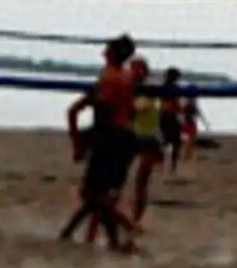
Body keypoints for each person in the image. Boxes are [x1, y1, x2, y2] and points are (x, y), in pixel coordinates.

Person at [60, 34, 139, 251]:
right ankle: (114, 239)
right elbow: (126, 110)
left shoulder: (112, 78)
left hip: (111, 137)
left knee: (92, 196)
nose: (103, 52)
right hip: (122, 137)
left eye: (107, 49)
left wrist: (83, 142)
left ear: (113, 53)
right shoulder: (124, 77)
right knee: (99, 196)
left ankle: (123, 230)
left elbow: (102, 112)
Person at [129, 58, 167, 226]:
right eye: (133, 69)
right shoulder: (129, 86)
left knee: (141, 180)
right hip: (133, 136)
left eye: (139, 69)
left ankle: (136, 219)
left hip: (150, 138)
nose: (136, 72)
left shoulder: (150, 89)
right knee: (127, 179)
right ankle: (131, 217)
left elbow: (137, 108)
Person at [158, 66, 186, 171]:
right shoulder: (173, 88)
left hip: (163, 114)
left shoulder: (163, 87)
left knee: (166, 140)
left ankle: (163, 163)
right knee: (175, 141)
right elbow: (175, 103)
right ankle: (172, 165)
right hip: (169, 114)